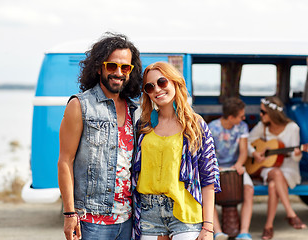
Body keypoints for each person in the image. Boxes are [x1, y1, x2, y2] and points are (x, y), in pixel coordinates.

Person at [57, 32, 142, 240]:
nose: (118, 72)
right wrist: (69, 214)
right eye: (112, 66)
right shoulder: (80, 105)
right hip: (92, 222)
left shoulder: (134, 110)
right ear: (99, 67)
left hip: (128, 220)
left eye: (125, 67)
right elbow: (65, 162)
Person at [132, 62, 221, 240]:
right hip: (149, 212)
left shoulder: (195, 124)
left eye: (162, 82)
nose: (157, 89)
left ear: (175, 82)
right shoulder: (143, 125)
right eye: (150, 87)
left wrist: (209, 226)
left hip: (185, 210)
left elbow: (208, 176)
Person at [248, 96, 307, 240]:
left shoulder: (292, 128)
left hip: (289, 168)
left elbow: (295, 158)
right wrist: (255, 153)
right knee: (275, 172)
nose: (260, 115)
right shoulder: (262, 127)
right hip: (269, 168)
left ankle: (268, 226)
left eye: (263, 112)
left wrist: (297, 154)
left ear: (272, 113)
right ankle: (290, 213)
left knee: (273, 186)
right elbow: (248, 142)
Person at [208, 97, 254, 240]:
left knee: (249, 189)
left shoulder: (242, 127)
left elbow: (244, 151)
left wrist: (239, 164)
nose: (243, 118)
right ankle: (218, 232)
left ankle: (244, 231)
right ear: (231, 117)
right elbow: (208, 153)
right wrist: (217, 168)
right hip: (215, 167)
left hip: (236, 166)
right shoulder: (212, 127)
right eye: (241, 116)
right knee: (208, 192)